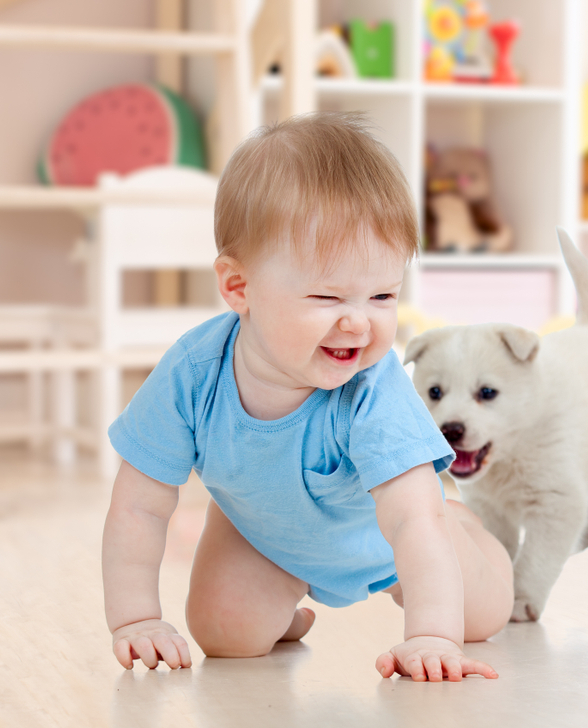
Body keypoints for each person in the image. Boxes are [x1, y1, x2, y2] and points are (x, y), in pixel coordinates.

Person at [101, 112, 514, 682]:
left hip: (392, 540)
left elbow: (413, 524)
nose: (358, 323)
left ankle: (465, 525)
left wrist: (430, 636)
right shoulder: (192, 375)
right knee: (225, 634)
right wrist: (136, 619)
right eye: (327, 295)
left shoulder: (372, 389)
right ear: (238, 287)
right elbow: (138, 505)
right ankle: (281, 610)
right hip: (263, 531)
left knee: (481, 615)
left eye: (382, 295)